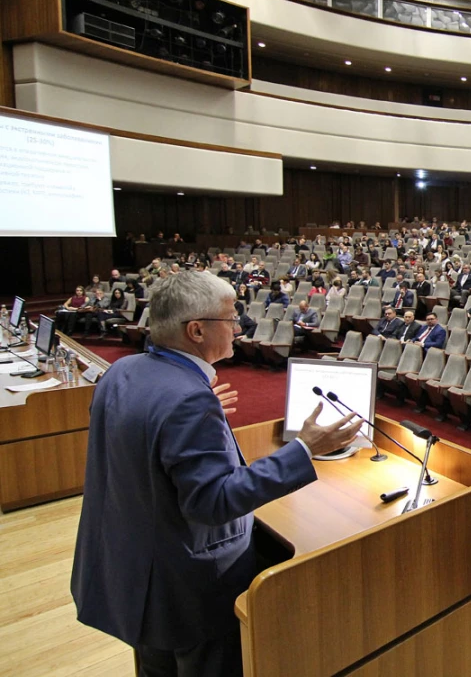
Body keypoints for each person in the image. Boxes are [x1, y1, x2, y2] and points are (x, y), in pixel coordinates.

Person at [71, 270, 362, 676]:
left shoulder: (123, 371)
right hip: (185, 586)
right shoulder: (188, 399)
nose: (239, 325)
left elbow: (136, 442)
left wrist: (192, 418)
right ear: (196, 330)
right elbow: (213, 502)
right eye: (230, 317)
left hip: (132, 569)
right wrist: (305, 449)